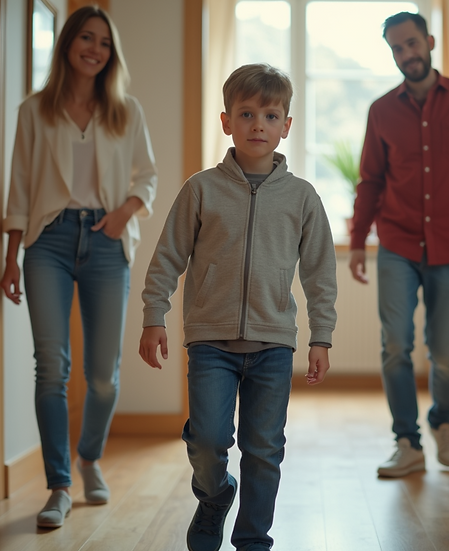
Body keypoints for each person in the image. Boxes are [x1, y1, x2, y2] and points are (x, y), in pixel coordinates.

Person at [138, 63, 337, 551]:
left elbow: (319, 273)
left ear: (286, 126)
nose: (258, 125)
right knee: (208, 441)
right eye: (246, 114)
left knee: (264, 450)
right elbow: (168, 255)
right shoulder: (201, 189)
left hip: (272, 343)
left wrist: (321, 336)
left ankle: (252, 541)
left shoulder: (302, 198)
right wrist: (153, 315)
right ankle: (214, 497)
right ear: (226, 120)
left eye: (271, 116)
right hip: (210, 342)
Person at [0, 5, 158, 528]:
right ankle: (60, 483)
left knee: (104, 377)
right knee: (52, 366)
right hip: (47, 240)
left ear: (111, 55)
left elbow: (148, 177)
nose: (95, 49)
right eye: (86, 38)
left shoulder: (125, 110)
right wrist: (11, 260)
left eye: (104, 43)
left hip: (107, 240)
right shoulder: (34, 111)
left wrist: (122, 216)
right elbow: (20, 187)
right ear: (68, 43)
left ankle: (90, 456)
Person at [348, 12, 449, 478]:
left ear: (430, 41)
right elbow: (370, 182)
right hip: (397, 242)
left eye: (412, 44)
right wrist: (358, 241)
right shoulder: (381, 111)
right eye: (397, 49)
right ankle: (407, 441)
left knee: (444, 350)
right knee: (395, 345)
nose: (406, 55)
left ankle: (441, 422)